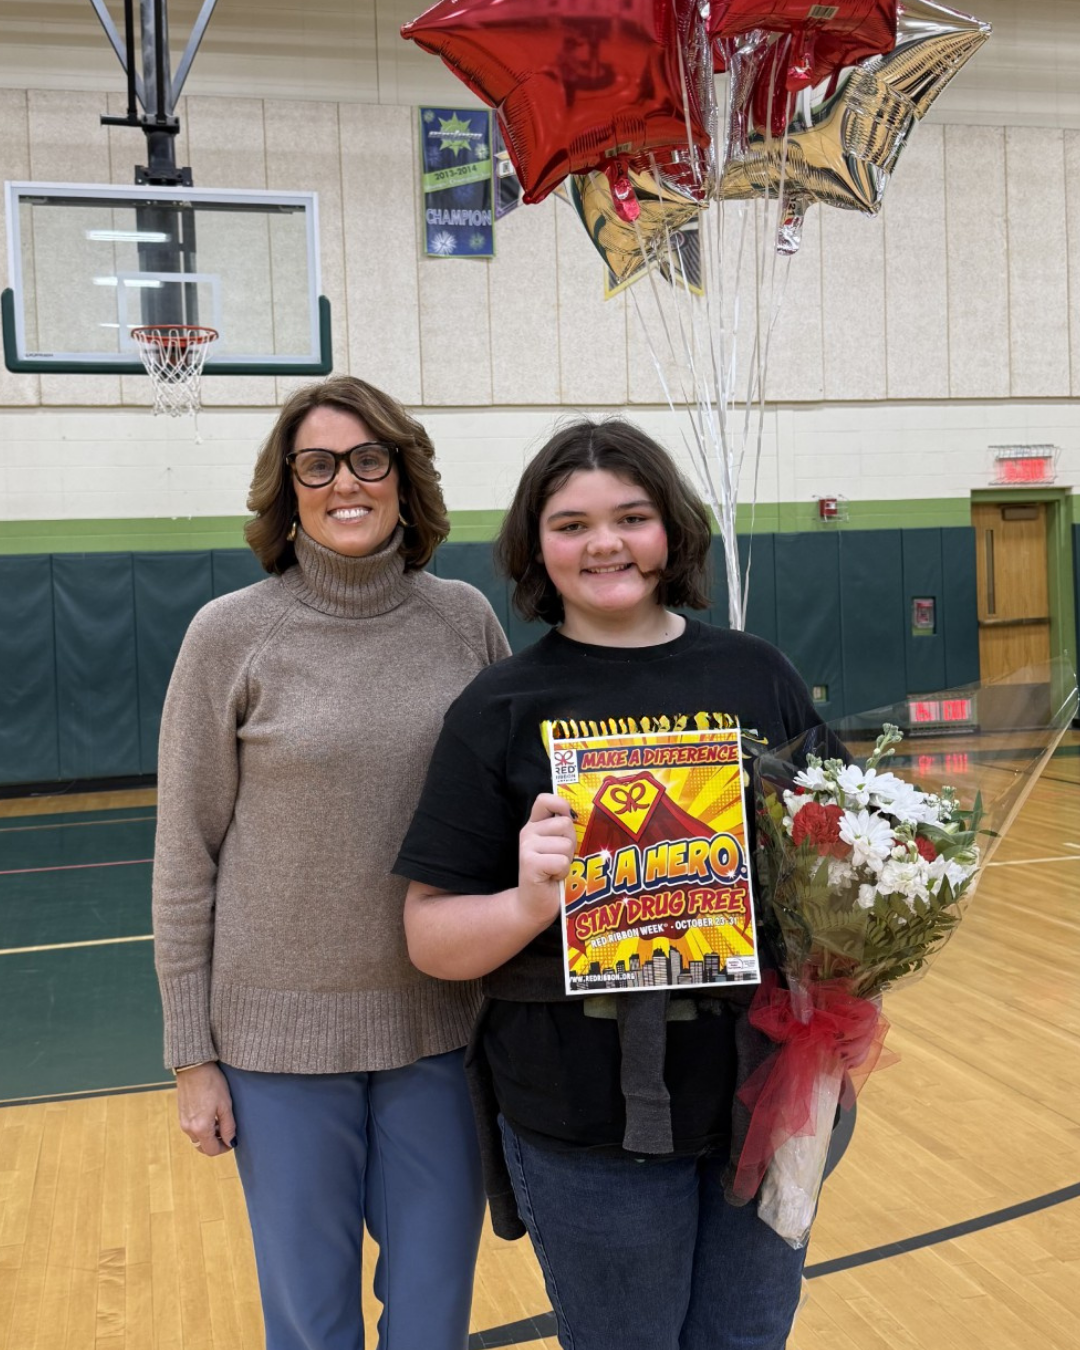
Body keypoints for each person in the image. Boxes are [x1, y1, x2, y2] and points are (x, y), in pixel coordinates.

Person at [395, 418, 821, 1350]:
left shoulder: (757, 676)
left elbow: (836, 864)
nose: (605, 544)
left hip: (762, 1091)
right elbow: (429, 938)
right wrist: (528, 900)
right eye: (572, 523)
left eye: (630, 516)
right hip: (581, 1110)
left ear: (670, 528)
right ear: (535, 546)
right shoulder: (499, 708)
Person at [152, 375, 510, 1350]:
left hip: (440, 1034)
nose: (344, 482)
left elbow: (512, 819)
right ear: (289, 486)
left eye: (367, 459)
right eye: (318, 463)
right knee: (312, 1330)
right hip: (277, 1049)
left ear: (403, 476)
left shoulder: (465, 620)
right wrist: (193, 1058)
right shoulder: (228, 635)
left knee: (433, 1321)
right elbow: (185, 859)